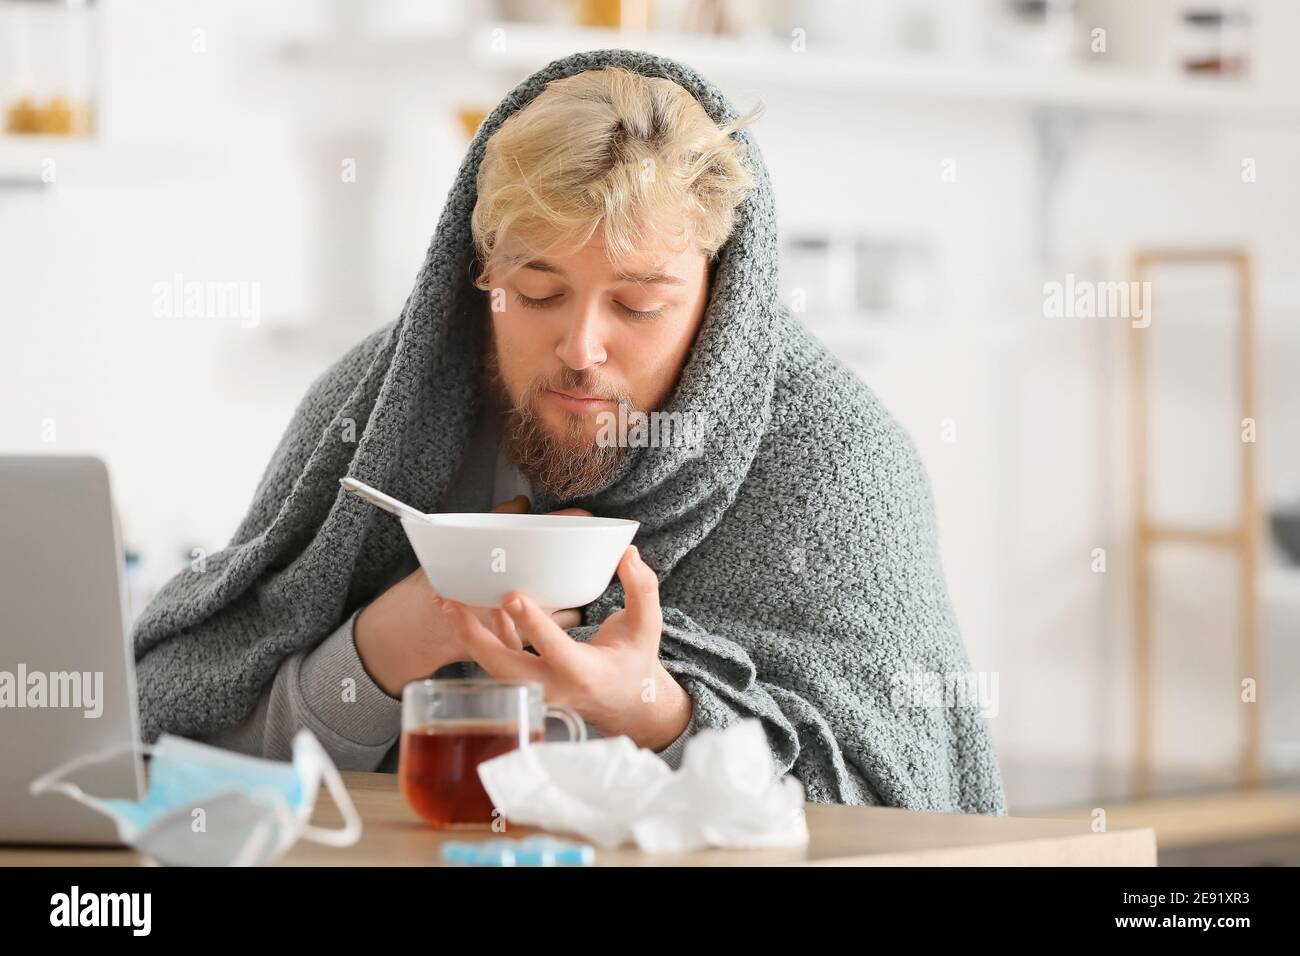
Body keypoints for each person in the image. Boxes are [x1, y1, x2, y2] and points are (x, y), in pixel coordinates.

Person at [133, 50, 1007, 812]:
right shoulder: (370, 423)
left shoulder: (837, 469)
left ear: (724, 302)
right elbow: (174, 759)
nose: (580, 348)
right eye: (537, 291)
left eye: (639, 303)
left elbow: (899, 808)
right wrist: (388, 646)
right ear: (476, 274)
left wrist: (655, 713)